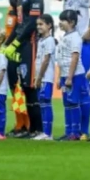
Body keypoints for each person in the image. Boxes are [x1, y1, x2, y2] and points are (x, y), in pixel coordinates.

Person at [46, 0, 90, 139]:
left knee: (83, 87)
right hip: (73, 45)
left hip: (83, 47)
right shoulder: (68, 1)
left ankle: (83, 130)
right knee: (72, 90)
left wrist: (88, 33)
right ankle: (73, 130)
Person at [2, 0, 44, 138]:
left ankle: (38, 130)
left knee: (30, 86)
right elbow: (19, 25)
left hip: (30, 45)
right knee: (22, 87)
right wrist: (6, 44)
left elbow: (31, 25)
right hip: (20, 44)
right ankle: (28, 128)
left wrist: (15, 44)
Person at [55, 9, 86, 141]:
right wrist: (59, 77)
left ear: (72, 22)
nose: (60, 22)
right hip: (64, 74)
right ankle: (68, 131)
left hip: (74, 75)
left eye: (63, 20)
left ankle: (75, 132)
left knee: (73, 102)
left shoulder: (75, 37)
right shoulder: (65, 37)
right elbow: (61, 59)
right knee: (67, 103)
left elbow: (75, 57)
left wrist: (69, 77)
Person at [33, 13, 56, 141]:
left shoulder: (50, 41)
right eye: (37, 25)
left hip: (46, 77)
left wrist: (40, 77)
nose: (38, 27)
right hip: (40, 77)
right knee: (42, 104)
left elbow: (46, 60)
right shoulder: (41, 40)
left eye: (41, 24)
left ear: (49, 25)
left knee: (46, 103)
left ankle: (48, 133)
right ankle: (44, 131)